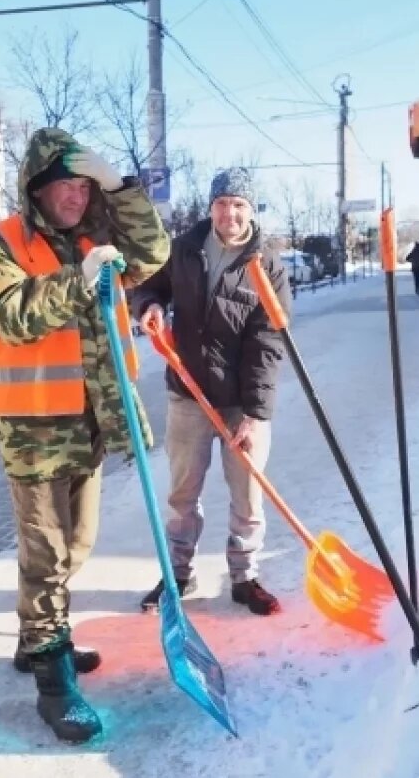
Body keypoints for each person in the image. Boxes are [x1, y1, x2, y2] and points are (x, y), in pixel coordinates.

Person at [0, 127, 169, 743]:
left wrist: (122, 188)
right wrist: (77, 280)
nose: (78, 197)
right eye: (68, 185)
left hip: (88, 424)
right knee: (47, 559)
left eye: (86, 187)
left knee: (77, 547)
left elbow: (152, 252)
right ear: (38, 188)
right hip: (33, 432)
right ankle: (54, 685)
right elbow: (10, 313)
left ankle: (37, 640)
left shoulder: (93, 240)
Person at [132, 167, 291, 617]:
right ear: (211, 207)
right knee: (183, 492)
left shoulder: (268, 267)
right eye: (222, 203)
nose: (230, 213)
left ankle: (245, 577)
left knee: (248, 493)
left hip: (242, 401)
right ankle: (178, 573)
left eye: (239, 204)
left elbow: (268, 343)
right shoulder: (183, 250)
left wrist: (254, 413)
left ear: (251, 209)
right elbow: (148, 288)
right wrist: (150, 309)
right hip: (188, 392)